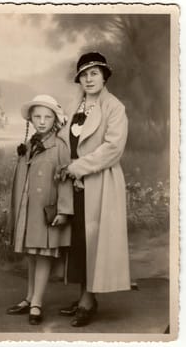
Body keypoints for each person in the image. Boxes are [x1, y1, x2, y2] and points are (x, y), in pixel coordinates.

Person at [57, 52, 131, 327]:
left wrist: (77, 167)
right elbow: (63, 141)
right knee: (78, 241)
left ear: (104, 76)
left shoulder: (114, 107)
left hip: (99, 181)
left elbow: (113, 149)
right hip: (74, 184)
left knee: (93, 241)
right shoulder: (75, 106)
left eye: (94, 73)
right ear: (78, 79)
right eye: (83, 75)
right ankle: (83, 296)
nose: (88, 79)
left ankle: (89, 300)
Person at [6, 94, 73, 325]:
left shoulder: (60, 146)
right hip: (29, 209)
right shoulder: (29, 145)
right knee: (32, 255)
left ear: (55, 119)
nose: (42, 121)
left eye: (47, 116)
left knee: (43, 255)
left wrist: (64, 210)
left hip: (48, 210)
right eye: (37, 116)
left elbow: (66, 179)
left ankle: (37, 303)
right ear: (31, 120)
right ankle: (28, 297)